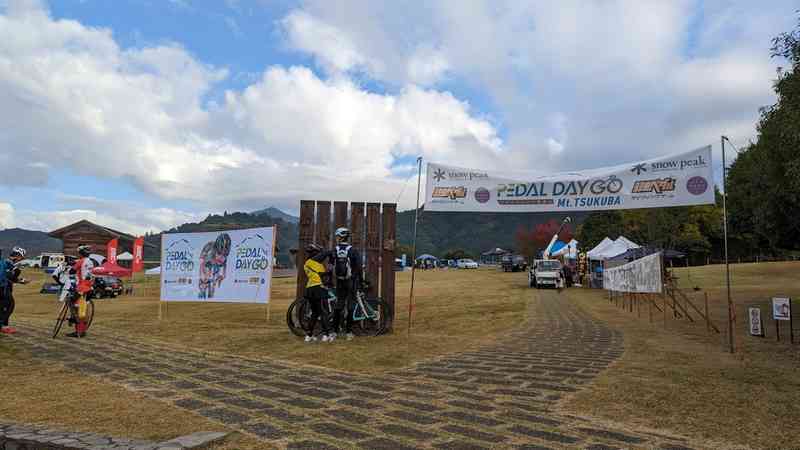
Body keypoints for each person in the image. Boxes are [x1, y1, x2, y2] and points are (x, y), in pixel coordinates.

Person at [331, 227, 362, 341]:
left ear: (341, 237)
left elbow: (331, 265)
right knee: (350, 306)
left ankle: (334, 332)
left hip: (340, 281)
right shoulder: (353, 250)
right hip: (350, 281)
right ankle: (348, 333)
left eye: (337, 236)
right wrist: (360, 280)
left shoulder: (335, 249)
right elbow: (358, 267)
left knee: (338, 306)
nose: (336, 238)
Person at [303, 243, 335, 343]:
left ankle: (309, 335)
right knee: (324, 312)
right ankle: (327, 335)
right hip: (319, 289)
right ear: (315, 254)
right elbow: (328, 252)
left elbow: (323, 275)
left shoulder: (309, 264)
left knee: (315, 313)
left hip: (310, 289)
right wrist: (331, 261)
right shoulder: (312, 261)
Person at [0, 247, 29, 334]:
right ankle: (3, 326)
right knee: (9, 306)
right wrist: (20, 280)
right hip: (3, 287)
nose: (22, 259)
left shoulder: (8, 262)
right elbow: (10, 276)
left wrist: (19, 280)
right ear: (17, 255)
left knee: (5, 306)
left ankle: (4, 326)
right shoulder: (8, 262)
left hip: (5, 286)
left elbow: (11, 276)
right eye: (22, 257)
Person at [69, 245, 95, 338]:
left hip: (81, 288)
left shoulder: (80, 261)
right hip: (89, 287)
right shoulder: (90, 262)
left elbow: (71, 271)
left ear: (81, 254)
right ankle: (83, 330)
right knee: (85, 309)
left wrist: (71, 267)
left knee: (73, 303)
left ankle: (76, 325)